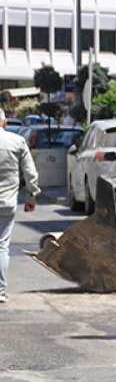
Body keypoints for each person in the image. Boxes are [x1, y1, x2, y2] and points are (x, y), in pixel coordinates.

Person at [0, 109, 39, 303]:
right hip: (7, 202)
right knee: (1, 246)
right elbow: (30, 173)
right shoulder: (17, 141)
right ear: (4, 122)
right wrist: (31, 197)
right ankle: (0, 291)